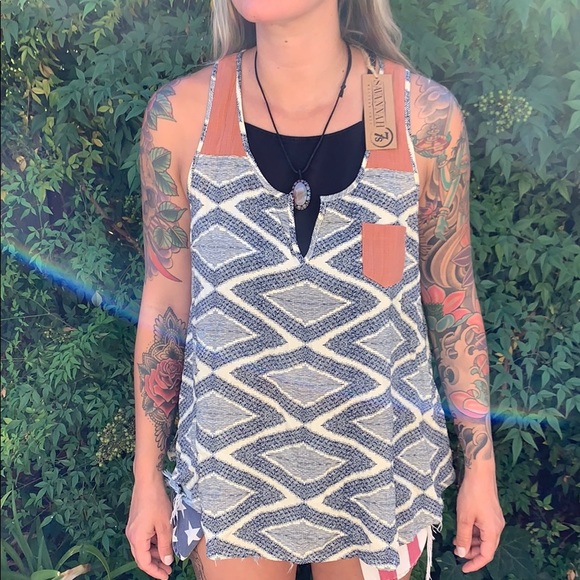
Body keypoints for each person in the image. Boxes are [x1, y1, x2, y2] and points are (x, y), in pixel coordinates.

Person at [125, 1, 505, 579]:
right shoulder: (182, 116)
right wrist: (147, 476)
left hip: (378, 470)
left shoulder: (423, 119)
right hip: (231, 474)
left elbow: (451, 301)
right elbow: (166, 304)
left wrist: (480, 470)